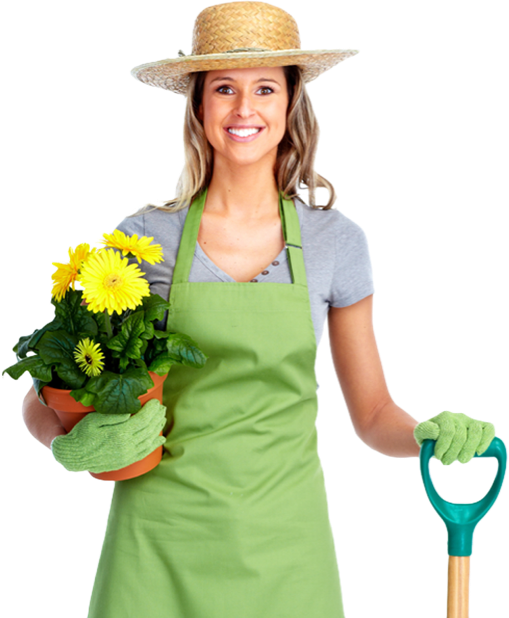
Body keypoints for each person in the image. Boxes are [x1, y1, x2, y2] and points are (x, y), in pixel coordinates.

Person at [20, 2, 498, 617]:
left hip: (287, 551)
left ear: (292, 102)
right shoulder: (143, 240)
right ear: (197, 105)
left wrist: (429, 437)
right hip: (157, 547)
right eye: (224, 88)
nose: (244, 110)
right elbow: (47, 397)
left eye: (265, 88)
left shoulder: (337, 241)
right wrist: (69, 444)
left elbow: (374, 414)